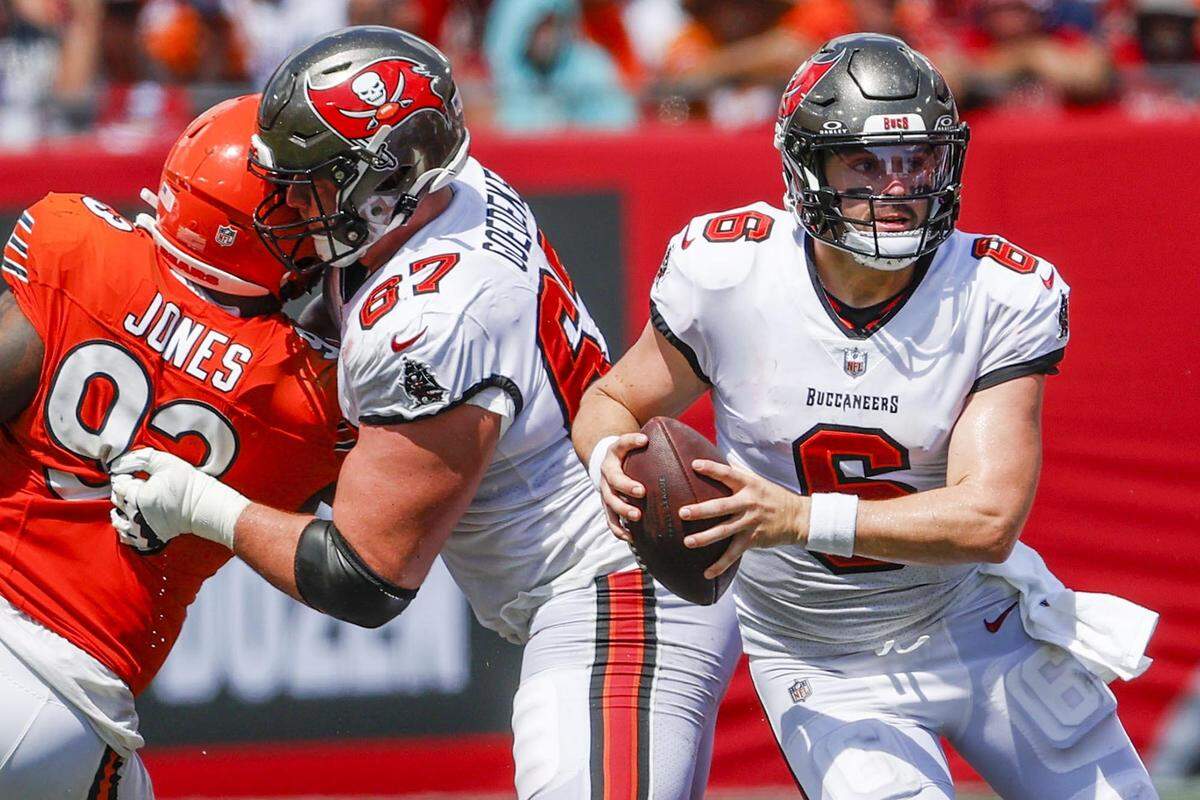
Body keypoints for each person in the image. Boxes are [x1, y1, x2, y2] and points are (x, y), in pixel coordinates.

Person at [109, 26, 739, 800]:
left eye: (314, 181)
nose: (289, 202)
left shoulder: (431, 321)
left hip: (616, 598)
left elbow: (366, 575)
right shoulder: (456, 191)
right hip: (601, 591)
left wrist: (196, 504)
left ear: (388, 182)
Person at [573, 33, 1159, 800]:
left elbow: (987, 520)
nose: (899, 186)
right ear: (806, 169)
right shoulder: (730, 273)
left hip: (974, 620)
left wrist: (797, 518)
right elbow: (611, 402)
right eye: (866, 163)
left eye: (917, 159)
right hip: (823, 657)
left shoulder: (997, 292)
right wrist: (609, 463)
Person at [0, 94, 347, 799]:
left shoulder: (72, 244)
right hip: (65, 695)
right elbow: (371, 553)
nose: (312, 233)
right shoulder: (305, 392)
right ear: (242, 231)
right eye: (294, 214)